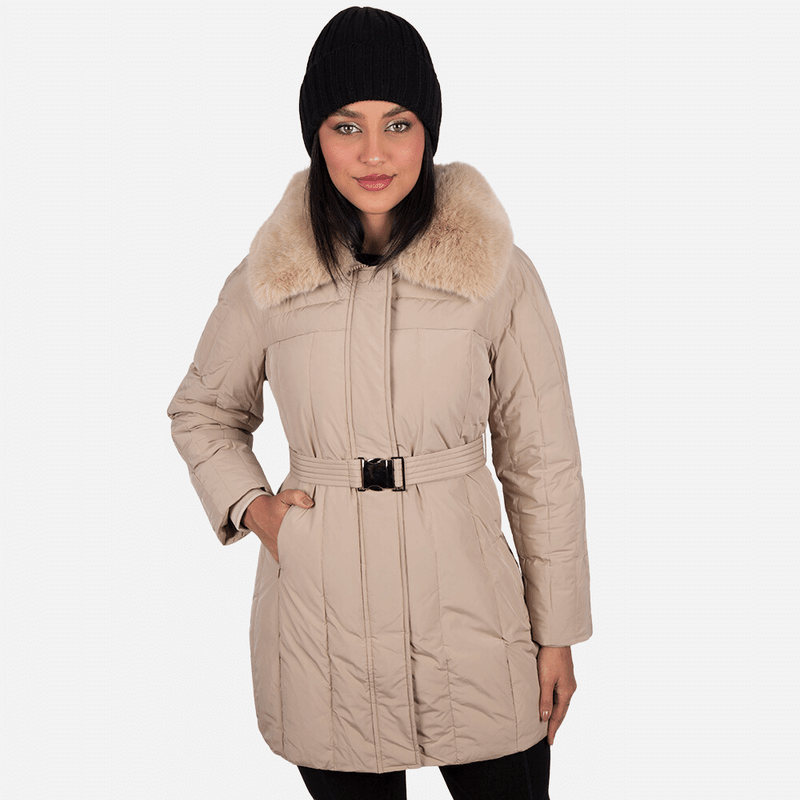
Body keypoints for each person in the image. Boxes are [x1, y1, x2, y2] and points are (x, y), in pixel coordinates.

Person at [167, 7, 592, 799]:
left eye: (397, 123)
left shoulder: (497, 271)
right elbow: (202, 411)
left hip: (473, 620)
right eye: (346, 125)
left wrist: (559, 633)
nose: (373, 152)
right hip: (323, 629)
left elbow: (543, 464)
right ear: (315, 136)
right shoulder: (269, 276)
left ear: (428, 130)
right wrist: (256, 511)